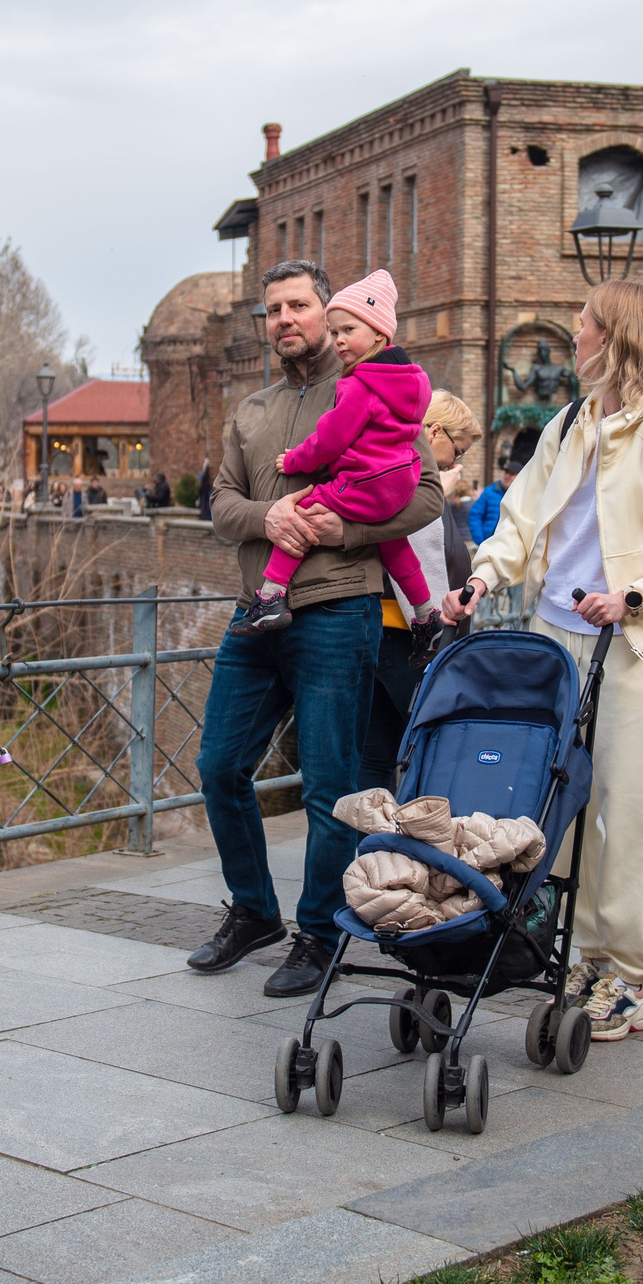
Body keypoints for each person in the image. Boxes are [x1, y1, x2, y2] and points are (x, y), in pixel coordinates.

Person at [439, 280, 643, 1042]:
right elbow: (522, 517)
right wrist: (480, 578)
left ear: (619, 336)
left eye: (586, 326)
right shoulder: (570, 422)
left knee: (630, 809)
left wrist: (635, 594)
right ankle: (575, 950)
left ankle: (626, 974)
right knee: (559, 808)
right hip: (554, 640)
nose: (576, 337)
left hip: (631, 642)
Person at [188, 259, 443, 997]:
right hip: (256, 611)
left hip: (338, 607)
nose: (285, 320)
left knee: (330, 784)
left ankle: (321, 932)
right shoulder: (252, 411)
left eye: (299, 305)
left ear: (328, 311)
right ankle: (254, 911)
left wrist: (350, 533)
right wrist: (264, 517)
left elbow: (426, 494)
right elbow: (221, 506)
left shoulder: (372, 383)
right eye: (273, 309)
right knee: (218, 766)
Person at [241, 270, 435, 638]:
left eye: (348, 331)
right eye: (336, 332)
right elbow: (223, 502)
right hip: (397, 481)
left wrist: (296, 459)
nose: (340, 341)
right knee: (395, 546)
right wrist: (262, 514)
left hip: (365, 485)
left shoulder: (360, 382)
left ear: (379, 332)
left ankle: (270, 596)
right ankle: (425, 615)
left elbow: (331, 437)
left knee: (305, 509)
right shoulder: (412, 381)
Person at [356, 390, 480, 794]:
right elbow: (422, 552)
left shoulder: (388, 461)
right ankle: (419, 842)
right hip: (411, 639)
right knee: (431, 748)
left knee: (376, 754)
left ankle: (370, 847)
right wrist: (431, 626)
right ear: (434, 431)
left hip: (382, 631)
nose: (455, 462)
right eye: (456, 450)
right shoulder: (416, 475)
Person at [466, 464, 513, 545]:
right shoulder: (489, 491)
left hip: (509, 544)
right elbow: (475, 514)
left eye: (512, 474)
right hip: (489, 542)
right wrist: (480, 540)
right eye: (506, 472)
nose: (507, 476)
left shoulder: (519, 495)